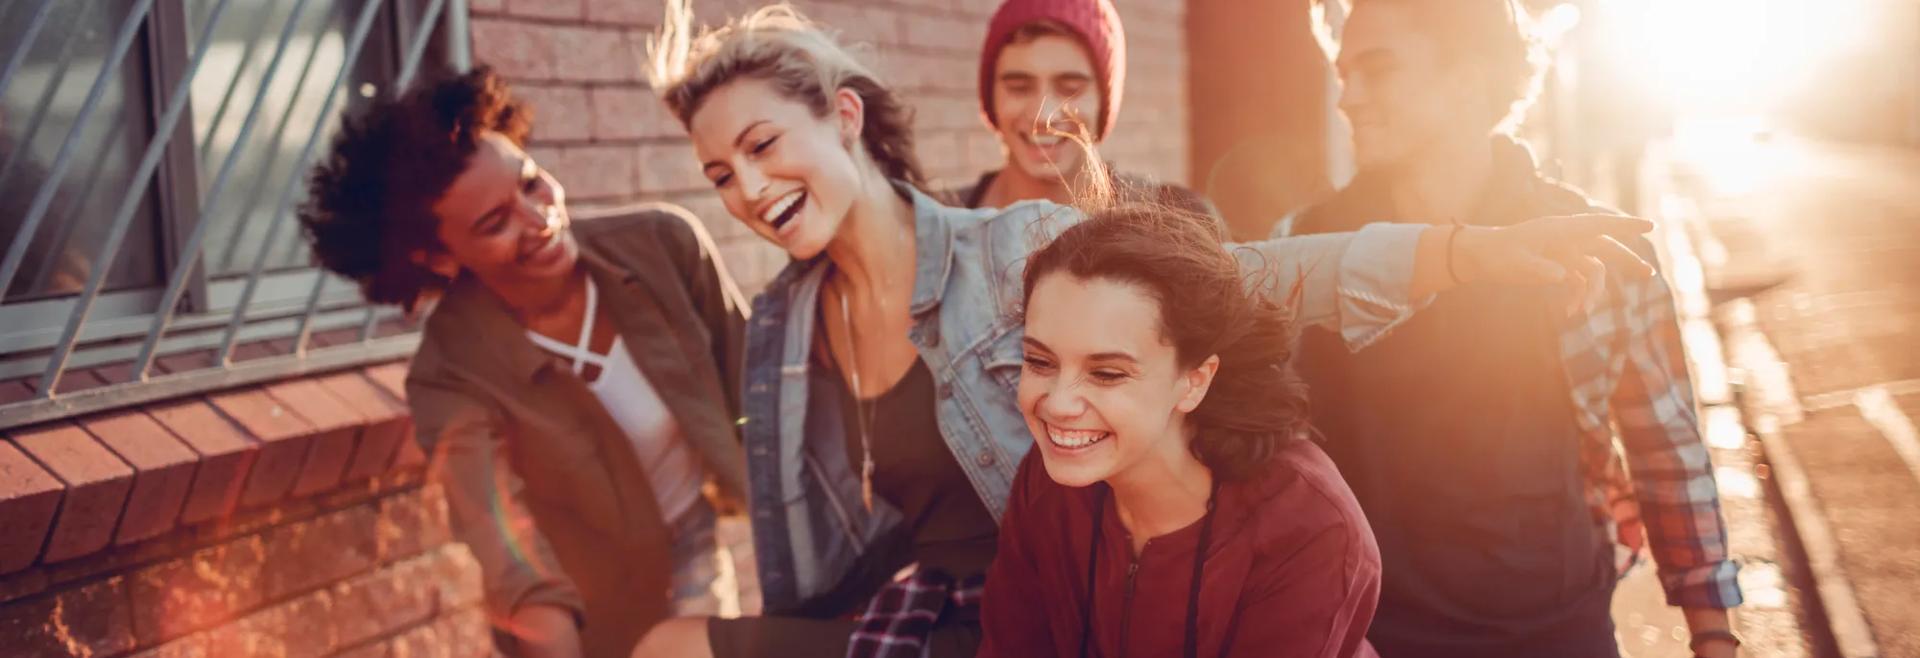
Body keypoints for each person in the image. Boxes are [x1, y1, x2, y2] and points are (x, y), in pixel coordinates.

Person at [631, 3, 1654, 657]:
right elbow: (801, 556)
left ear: (844, 119)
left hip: (1051, 603)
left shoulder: (1016, 246)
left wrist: (1458, 253)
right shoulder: (781, 322)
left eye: (765, 144)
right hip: (925, 613)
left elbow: (1244, 278)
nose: (749, 188)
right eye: (721, 174)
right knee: (670, 648)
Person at [1280, 1, 1742, 656]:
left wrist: (1712, 631)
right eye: (1344, 73)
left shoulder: (1593, 247)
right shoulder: (1310, 245)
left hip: (1556, 630)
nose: (1347, 99)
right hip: (1366, 634)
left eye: (1376, 72)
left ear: (1468, 81)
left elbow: (1665, 446)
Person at [298, 67, 750, 658]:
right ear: (434, 254)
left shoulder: (666, 246)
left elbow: (764, 401)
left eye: (532, 184)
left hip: (695, 550)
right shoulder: (449, 375)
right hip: (580, 615)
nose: (540, 221)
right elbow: (505, 544)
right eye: (495, 223)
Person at [979, 206, 1380, 658]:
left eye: (1107, 373)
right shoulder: (1046, 483)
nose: (1057, 404)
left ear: (1195, 380)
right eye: (1040, 362)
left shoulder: (1307, 526)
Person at [947, 0, 1215, 220]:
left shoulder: (1178, 222)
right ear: (991, 96)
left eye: (1071, 88)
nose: (1043, 116)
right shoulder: (937, 224)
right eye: (1018, 87)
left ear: (1104, 100)